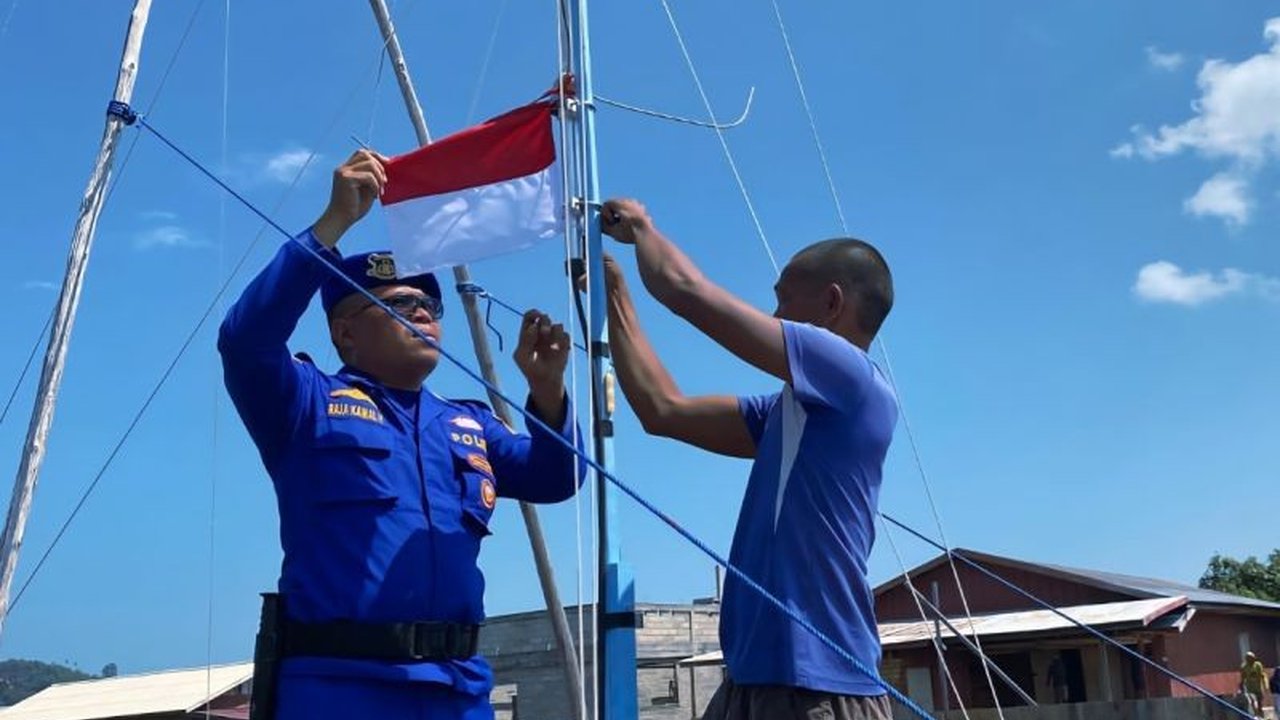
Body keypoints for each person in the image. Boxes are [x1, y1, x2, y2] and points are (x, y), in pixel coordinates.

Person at [218, 149, 587, 720]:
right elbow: (246, 342)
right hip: (340, 688)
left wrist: (547, 392)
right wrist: (332, 225)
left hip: (458, 689)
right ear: (345, 334)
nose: (420, 313)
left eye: (428, 305)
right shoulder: (304, 404)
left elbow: (557, 478)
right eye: (397, 303)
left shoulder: (469, 424)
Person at [599, 198, 898, 720]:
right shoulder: (790, 411)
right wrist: (616, 296)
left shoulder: (851, 375)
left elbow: (686, 291)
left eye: (782, 302)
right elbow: (662, 409)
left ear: (831, 304)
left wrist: (643, 227)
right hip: (753, 676)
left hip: (818, 685)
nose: (775, 317)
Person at [1241, 651, 1267, 718]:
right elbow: (1243, 677)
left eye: (1252, 658)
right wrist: (1241, 685)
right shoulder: (1244, 667)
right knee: (1253, 701)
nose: (1251, 660)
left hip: (1258, 688)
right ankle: (1256, 715)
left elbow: (1262, 675)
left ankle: (1261, 716)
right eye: (1249, 658)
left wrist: (1265, 685)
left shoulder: (1258, 665)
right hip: (1250, 688)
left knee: (1259, 703)